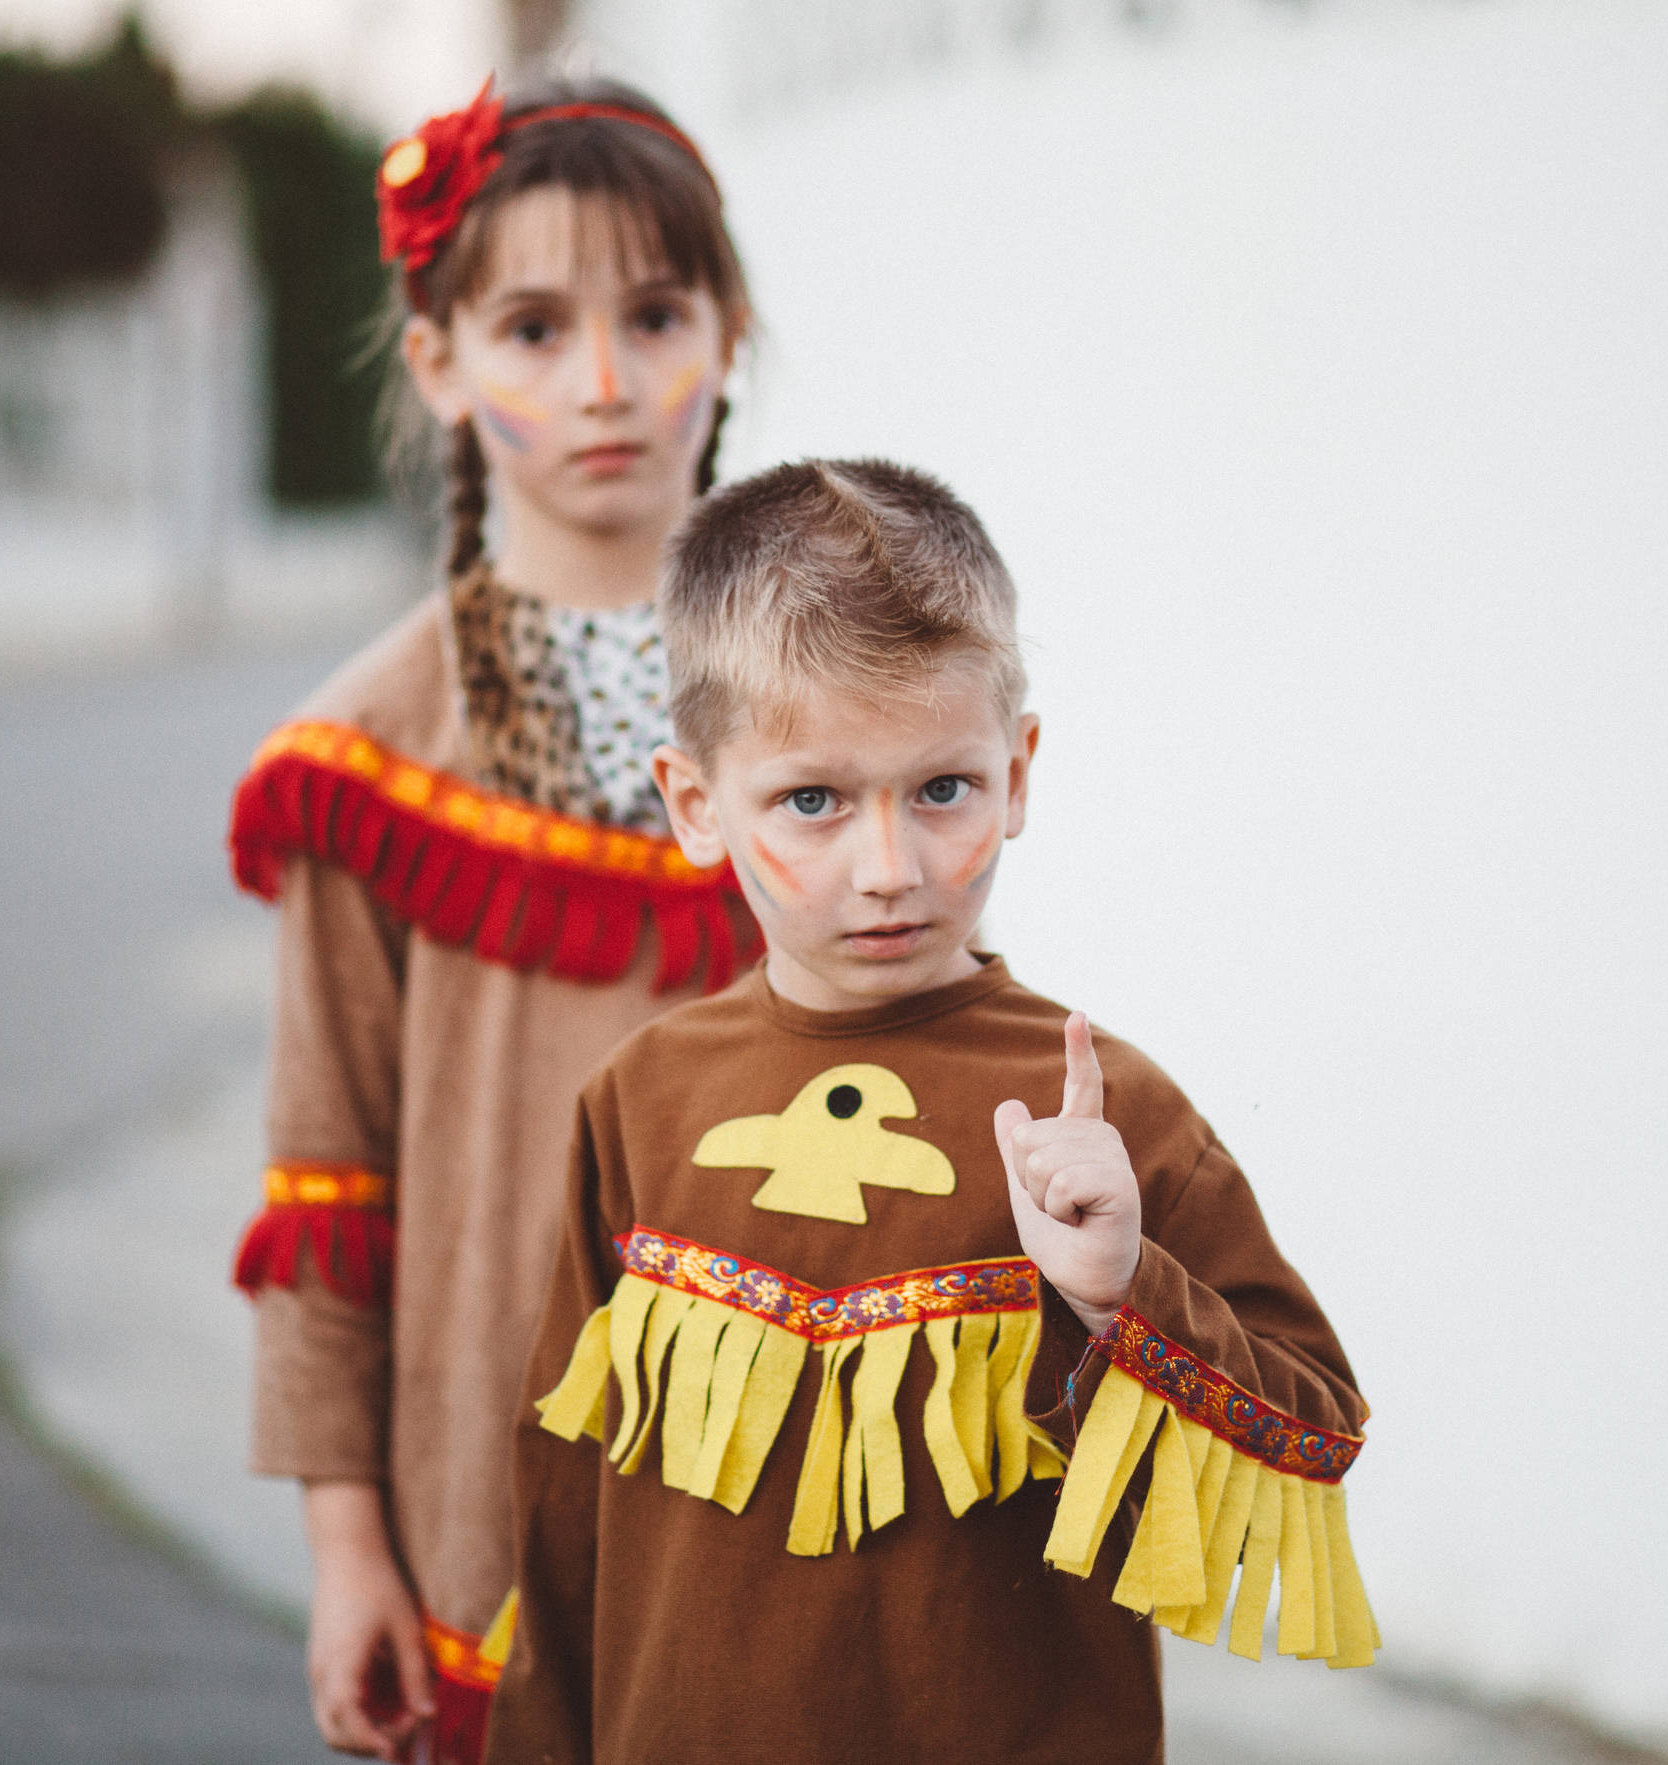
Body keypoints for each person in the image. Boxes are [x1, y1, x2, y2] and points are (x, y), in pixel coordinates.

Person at [484, 460, 1376, 1764]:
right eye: (813, 800)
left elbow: (1311, 1441)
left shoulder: (1107, 1118)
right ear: (695, 804)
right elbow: (562, 1515)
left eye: (942, 789)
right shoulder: (637, 1104)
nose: (889, 868)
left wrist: (1120, 1291)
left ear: (1017, 773)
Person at [225, 75, 757, 1764]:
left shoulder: (826, 718)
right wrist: (344, 1548)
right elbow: (327, 1181)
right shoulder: (364, 763)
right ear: (440, 362)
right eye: (533, 327)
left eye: (655, 314)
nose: (604, 383)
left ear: (727, 336)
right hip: (490, 1516)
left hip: (795, 1496)